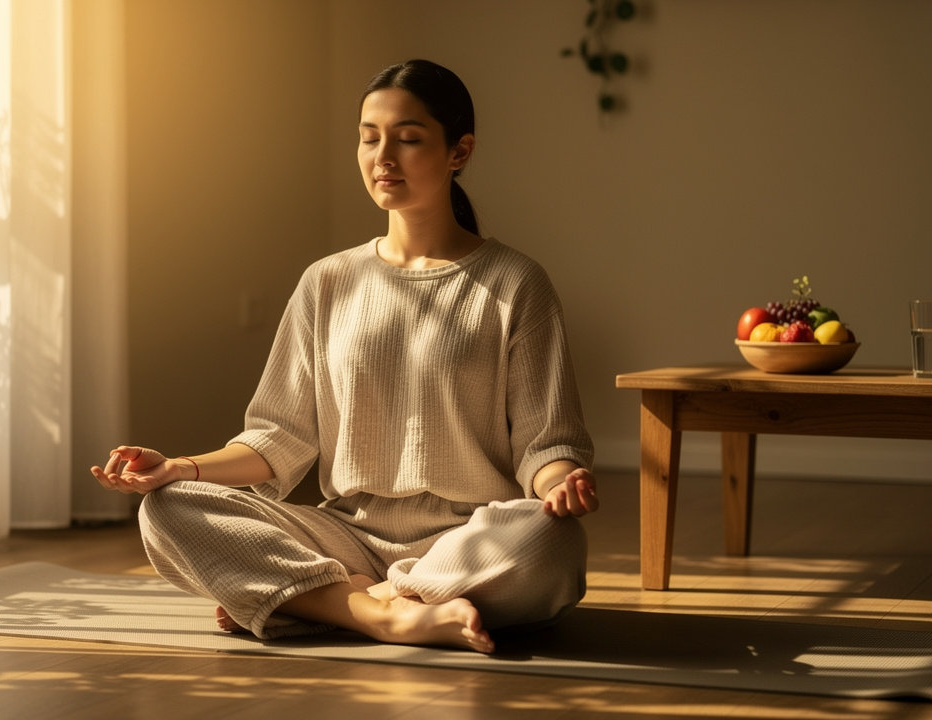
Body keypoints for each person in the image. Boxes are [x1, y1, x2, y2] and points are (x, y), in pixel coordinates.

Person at [91, 59, 597, 654]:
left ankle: (321, 600)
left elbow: (546, 441)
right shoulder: (327, 282)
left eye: (408, 140)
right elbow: (278, 437)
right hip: (345, 533)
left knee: (551, 543)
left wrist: (564, 485)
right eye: (368, 138)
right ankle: (380, 612)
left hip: (469, 537)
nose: (383, 158)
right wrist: (179, 468)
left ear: (459, 152)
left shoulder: (516, 282)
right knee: (167, 509)